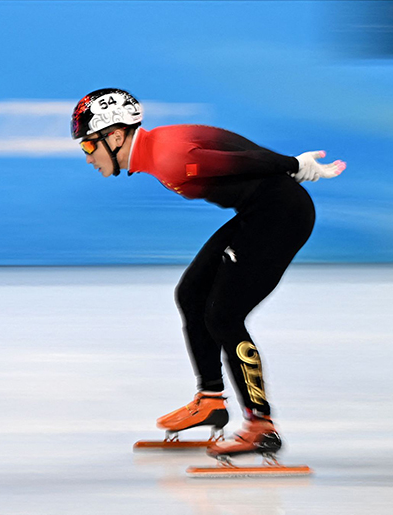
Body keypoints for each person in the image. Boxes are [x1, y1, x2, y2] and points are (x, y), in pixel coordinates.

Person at [71, 88, 345, 458]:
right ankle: (211, 399)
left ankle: (261, 425)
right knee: (192, 293)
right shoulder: (158, 148)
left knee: (224, 315)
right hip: (260, 212)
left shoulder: (170, 156)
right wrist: (288, 166)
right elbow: (233, 149)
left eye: (89, 146)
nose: (87, 157)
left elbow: (245, 159)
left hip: (281, 216)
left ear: (116, 136)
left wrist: (294, 165)